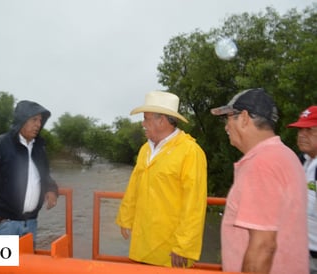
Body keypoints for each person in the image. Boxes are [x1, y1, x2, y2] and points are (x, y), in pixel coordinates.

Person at [211, 88, 308, 274]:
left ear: (244, 117)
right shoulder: (285, 156)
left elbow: (263, 247)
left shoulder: (261, 165)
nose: (226, 127)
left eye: (228, 118)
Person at [115, 90, 207, 268]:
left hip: (171, 248)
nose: (143, 123)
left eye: (146, 118)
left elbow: (194, 203)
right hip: (143, 240)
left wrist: (184, 246)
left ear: (162, 120)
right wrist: (126, 218)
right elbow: (134, 186)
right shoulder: (145, 150)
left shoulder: (190, 152)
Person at [0, 100, 59, 247]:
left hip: (31, 223)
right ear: (22, 120)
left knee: (25, 268)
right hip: (5, 225)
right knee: (2, 269)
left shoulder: (39, 148)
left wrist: (51, 189)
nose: (38, 124)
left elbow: (44, 175)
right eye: (34, 120)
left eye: (40, 120)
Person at [287, 105, 317, 274]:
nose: (302, 135)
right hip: (298, 254)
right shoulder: (299, 162)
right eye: (300, 130)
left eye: (309, 130)